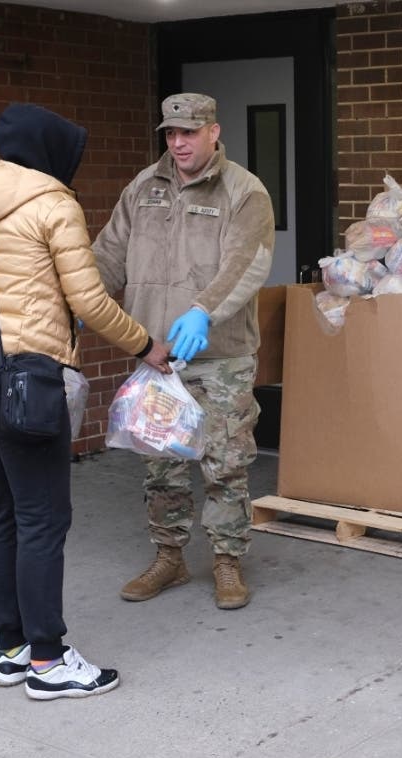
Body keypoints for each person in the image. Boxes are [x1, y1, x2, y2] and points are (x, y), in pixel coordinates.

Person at [0, 103, 171, 700]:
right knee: (42, 518)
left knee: (3, 512)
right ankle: (48, 659)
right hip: (24, 378)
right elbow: (90, 302)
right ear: (50, 152)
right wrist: (146, 345)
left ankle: (11, 649)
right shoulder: (53, 204)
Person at [93, 93, 275, 610]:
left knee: (225, 463)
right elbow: (109, 252)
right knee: (162, 463)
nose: (178, 143)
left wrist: (203, 310)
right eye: (171, 134)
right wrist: (81, 294)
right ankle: (169, 557)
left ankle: (226, 560)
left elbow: (248, 262)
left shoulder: (244, 191)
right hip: (157, 353)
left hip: (220, 355)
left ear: (213, 132)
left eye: (189, 133)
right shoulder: (142, 188)